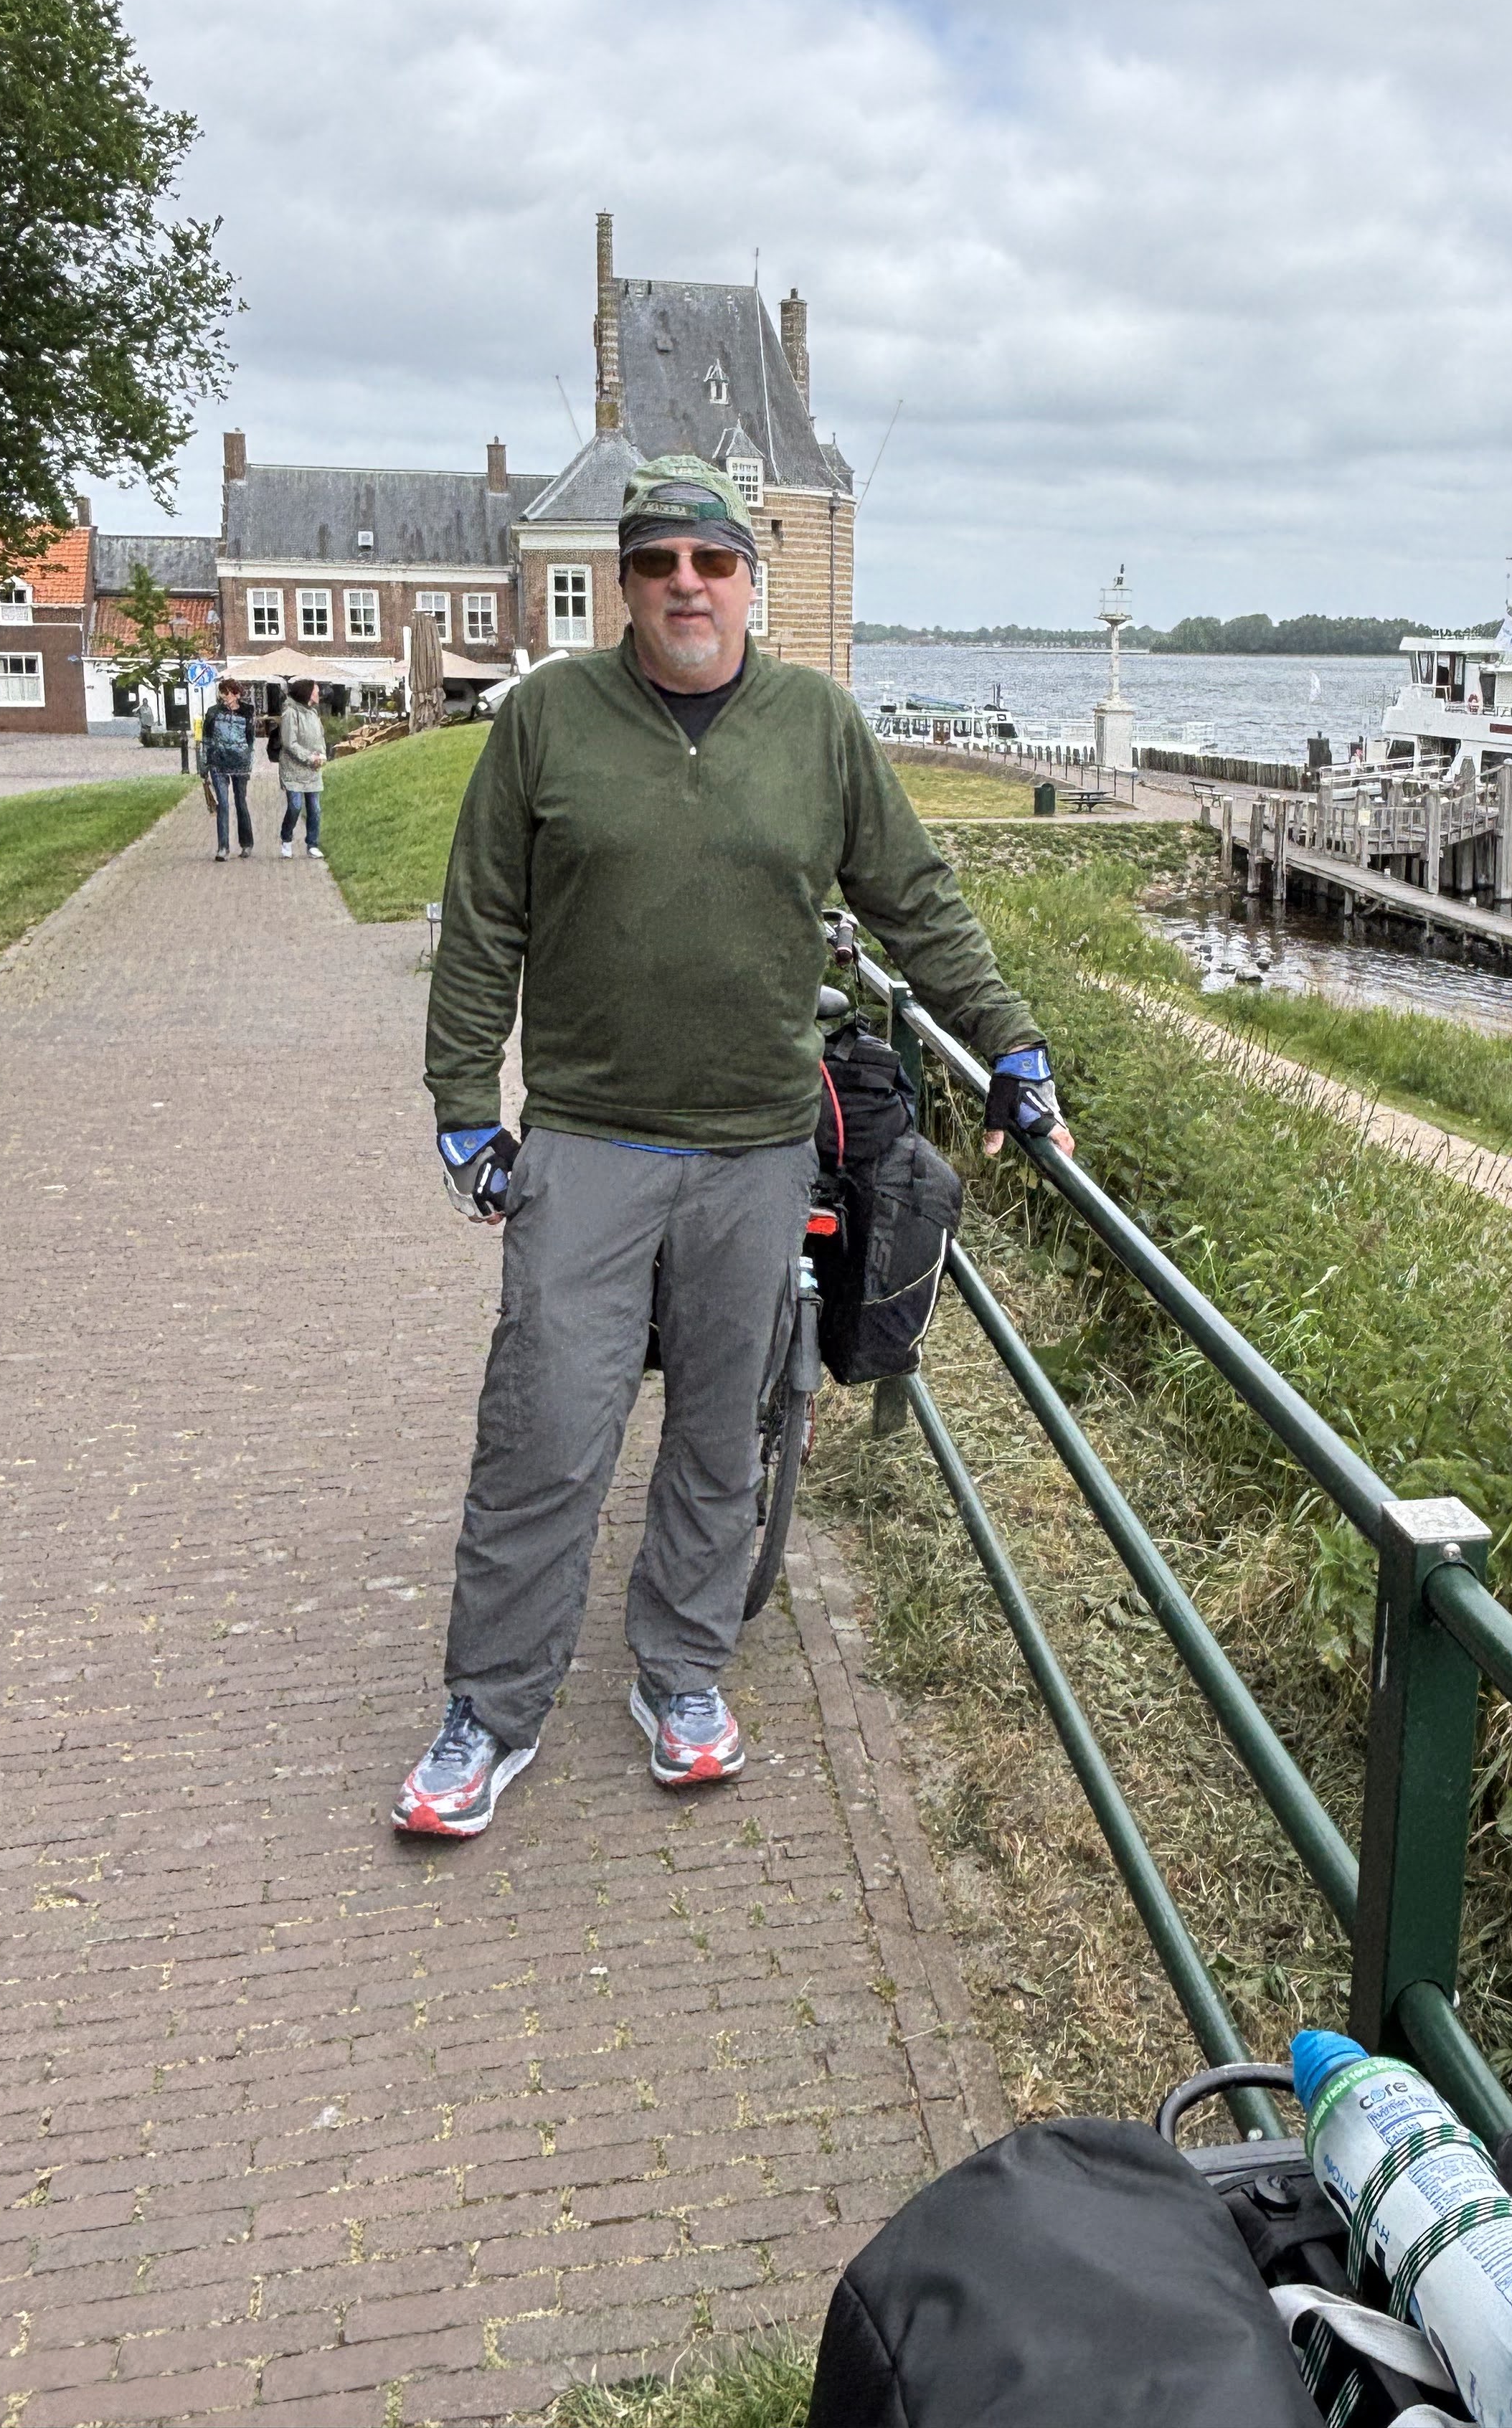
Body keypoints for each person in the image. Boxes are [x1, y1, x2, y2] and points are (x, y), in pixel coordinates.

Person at [396, 456, 1072, 1836]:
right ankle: (490, 1707)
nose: (684, 586)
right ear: (628, 583)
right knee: (545, 1429)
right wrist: (467, 1107)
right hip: (587, 1138)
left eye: (709, 561)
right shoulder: (544, 722)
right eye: (656, 564)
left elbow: (914, 902)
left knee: (719, 1431)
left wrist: (1010, 1041)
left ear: (748, 575)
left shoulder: (818, 726)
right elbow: (480, 926)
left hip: (758, 1144)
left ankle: (683, 1671)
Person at [200, 676, 257, 859]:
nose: (224, 697)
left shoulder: (248, 712)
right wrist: (204, 767)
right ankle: (223, 848)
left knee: (241, 802)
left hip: (240, 764)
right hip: (218, 763)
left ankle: (246, 844)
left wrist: (248, 762)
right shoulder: (212, 713)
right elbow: (206, 740)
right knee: (223, 805)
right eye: (222, 693)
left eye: (228, 693)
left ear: (237, 694)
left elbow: (251, 740)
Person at [278, 678, 328, 858]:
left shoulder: (313, 713)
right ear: (307, 693)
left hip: (313, 770)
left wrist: (322, 755)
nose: (318, 694)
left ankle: (312, 844)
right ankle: (286, 838)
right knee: (295, 806)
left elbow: (320, 738)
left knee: (315, 809)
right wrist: (308, 757)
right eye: (316, 691)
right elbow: (290, 743)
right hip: (294, 770)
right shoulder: (291, 713)